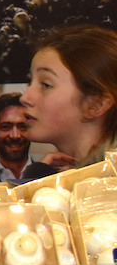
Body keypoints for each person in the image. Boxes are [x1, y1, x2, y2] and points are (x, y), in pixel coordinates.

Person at [20, 24, 117, 179]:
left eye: (46, 85)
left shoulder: (107, 189)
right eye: (29, 82)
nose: (24, 98)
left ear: (96, 104)